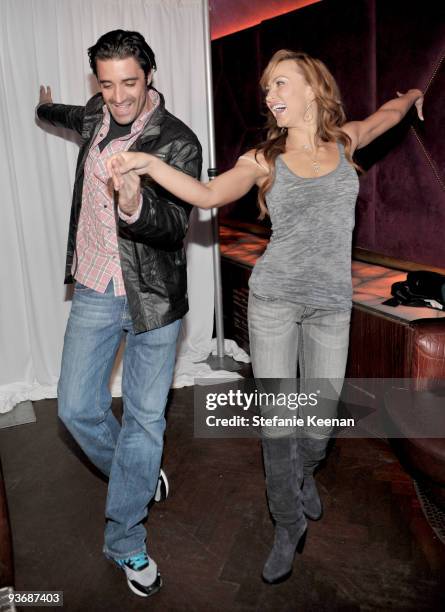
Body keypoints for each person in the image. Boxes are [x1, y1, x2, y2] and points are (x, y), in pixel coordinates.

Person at [106, 49, 424, 584]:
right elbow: (207, 195)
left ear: (311, 90)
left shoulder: (344, 143)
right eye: (266, 89)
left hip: (330, 305)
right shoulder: (263, 159)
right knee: (280, 424)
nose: (270, 96)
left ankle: (303, 476)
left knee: (318, 425)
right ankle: (286, 522)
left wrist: (410, 98)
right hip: (274, 300)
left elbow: (384, 119)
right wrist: (151, 164)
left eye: (280, 84)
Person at [36, 29, 202, 597]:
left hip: (152, 301)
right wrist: (41, 104)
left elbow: (177, 225)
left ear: (148, 75)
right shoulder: (95, 114)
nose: (119, 95)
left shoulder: (178, 140)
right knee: (76, 409)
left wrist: (133, 204)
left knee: (144, 421)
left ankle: (126, 538)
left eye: (129, 82)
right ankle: (135, 474)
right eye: (107, 85)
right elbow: (66, 115)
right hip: (93, 288)